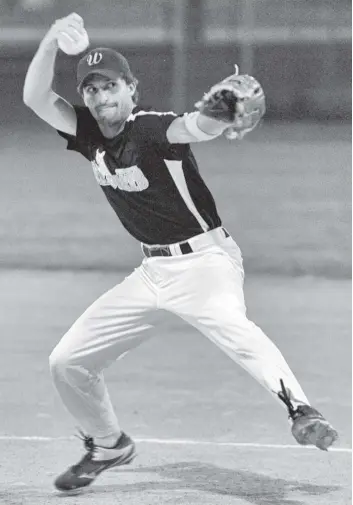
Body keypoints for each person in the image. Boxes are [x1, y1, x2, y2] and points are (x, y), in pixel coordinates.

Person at [23, 12, 338, 493]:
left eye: (110, 86)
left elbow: (195, 126)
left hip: (206, 263)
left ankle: (301, 409)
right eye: (91, 89)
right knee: (67, 362)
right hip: (152, 273)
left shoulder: (150, 128)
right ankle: (109, 444)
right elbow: (35, 98)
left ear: (132, 88)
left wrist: (218, 112)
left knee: (233, 328)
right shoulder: (87, 133)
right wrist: (50, 40)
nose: (101, 96)